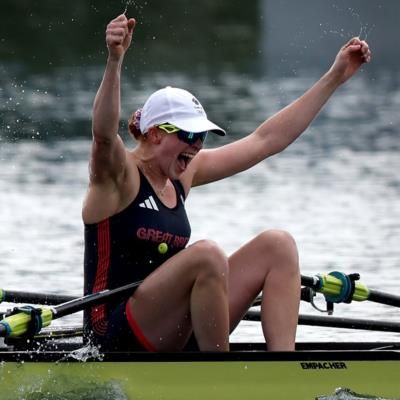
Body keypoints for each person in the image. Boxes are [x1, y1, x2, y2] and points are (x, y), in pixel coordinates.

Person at [83, 14, 371, 352]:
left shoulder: (183, 174)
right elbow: (103, 135)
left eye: (202, 137)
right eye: (189, 134)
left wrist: (334, 77)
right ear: (155, 134)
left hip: (169, 328)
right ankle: (219, 373)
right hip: (112, 335)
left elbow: (266, 140)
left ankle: (285, 367)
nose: (196, 145)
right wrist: (115, 60)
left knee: (278, 246)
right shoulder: (119, 176)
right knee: (207, 256)